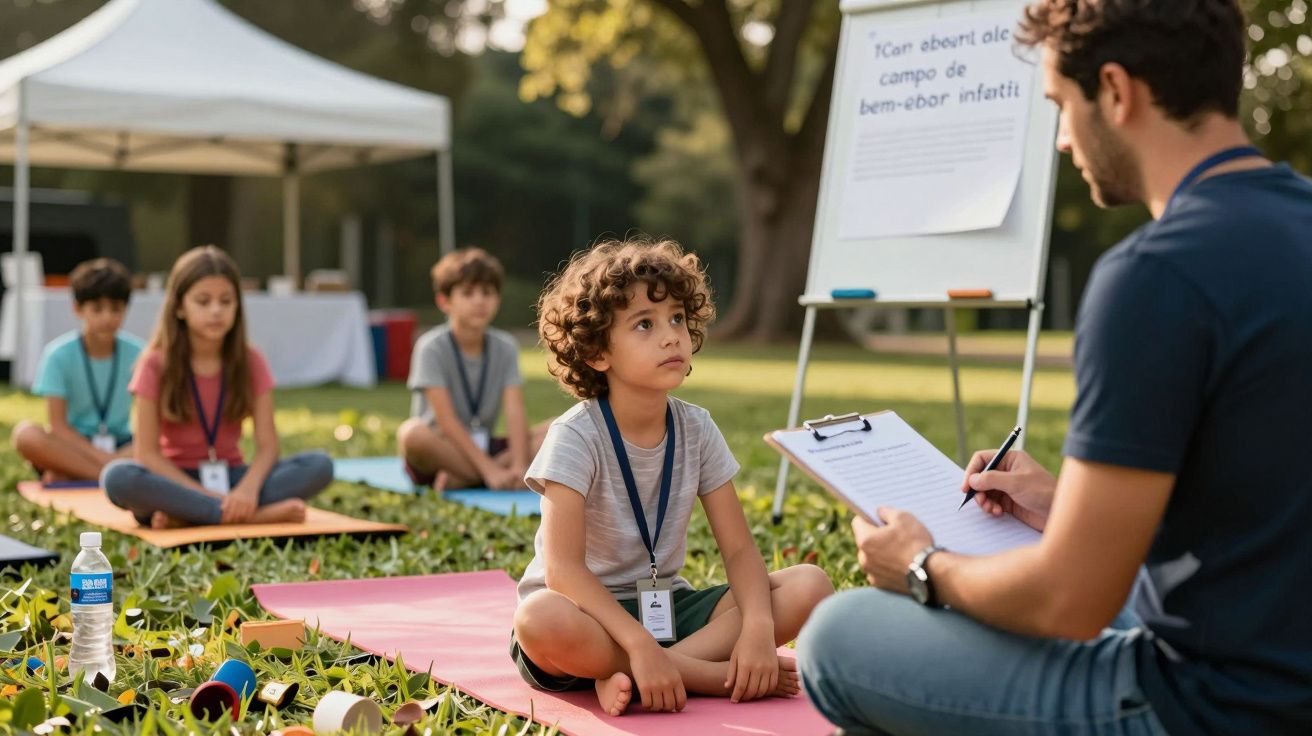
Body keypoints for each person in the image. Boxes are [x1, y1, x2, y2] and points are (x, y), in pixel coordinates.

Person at [798, 1, 1312, 734]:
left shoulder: (1156, 275)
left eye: (1059, 107)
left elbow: (1071, 602)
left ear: (1114, 89)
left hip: (1212, 705)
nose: (1064, 139)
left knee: (838, 636)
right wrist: (1067, 502)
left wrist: (922, 565)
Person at [511, 239, 833, 717]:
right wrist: (637, 644)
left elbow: (740, 549)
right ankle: (701, 676)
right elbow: (563, 572)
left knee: (810, 584)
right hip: (587, 616)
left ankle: (645, 674)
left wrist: (758, 632)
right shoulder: (574, 437)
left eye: (677, 318)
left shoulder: (697, 427)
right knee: (537, 618)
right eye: (645, 324)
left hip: (668, 610)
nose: (671, 337)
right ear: (598, 353)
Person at [101, 246, 333, 528]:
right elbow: (147, 454)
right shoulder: (154, 364)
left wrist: (246, 490)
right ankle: (246, 516)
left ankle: (190, 517)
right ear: (179, 307)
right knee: (118, 478)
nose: (216, 311)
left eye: (226, 301)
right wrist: (210, 497)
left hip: (233, 476)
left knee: (320, 465)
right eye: (203, 301)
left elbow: (268, 447)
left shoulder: (251, 360)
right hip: (176, 480)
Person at [397, 247, 545, 490]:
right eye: (468, 293)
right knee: (411, 434)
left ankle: (469, 479)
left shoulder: (505, 346)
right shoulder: (431, 347)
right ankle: (488, 476)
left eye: (487, 293)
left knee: (558, 428)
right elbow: (445, 421)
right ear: (444, 301)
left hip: (484, 446)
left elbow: (514, 410)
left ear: (497, 299)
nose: (479, 301)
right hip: (442, 449)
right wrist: (489, 469)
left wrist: (519, 463)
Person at [13, 258, 143, 482]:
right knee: (26, 435)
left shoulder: (141, 353)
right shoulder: (58, 354)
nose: (107, 318)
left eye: (116, 309)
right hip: (75, 443)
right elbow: (59, 426)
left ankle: (73, 474)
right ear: (78, 309)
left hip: (123, 445)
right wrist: (104, 459)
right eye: (97, 309)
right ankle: (111, 478)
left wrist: (121, 455)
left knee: (160, 441)